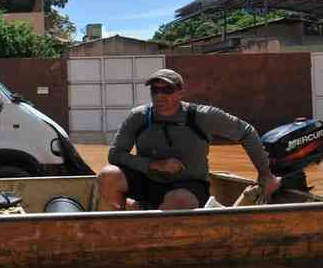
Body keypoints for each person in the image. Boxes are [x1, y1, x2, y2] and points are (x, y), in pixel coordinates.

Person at [97, 68, 281, 211]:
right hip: (147, 179)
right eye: (155, 90)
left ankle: (147, 218)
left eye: (167, 90)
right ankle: (123, 225)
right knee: (108, 175)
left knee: (178, 200)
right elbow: (115, 154)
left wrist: (265, 174)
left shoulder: (202, 116)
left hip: (188, 184)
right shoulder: (138, 116)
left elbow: (246, 132)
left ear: (179, 92)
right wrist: (154, 165)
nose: (160, 96)